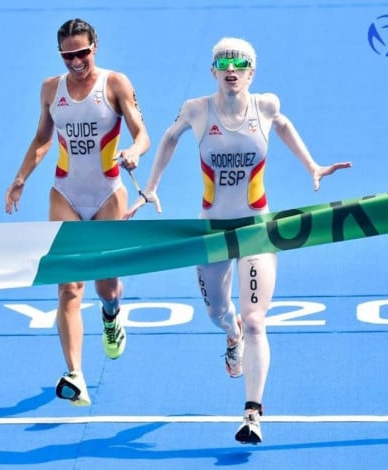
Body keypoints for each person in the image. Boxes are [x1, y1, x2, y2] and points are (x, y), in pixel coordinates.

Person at [127, 37, 351, 444]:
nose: (232, 69)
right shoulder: (197, 109)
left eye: (240, 63)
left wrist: (312, 165)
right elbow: (170, 138)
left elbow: (283, 126)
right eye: (223, 62)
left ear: (252, 71)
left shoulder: (265, 106)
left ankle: (252, 414)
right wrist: (152, 186)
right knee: (218, 313)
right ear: (213, 71)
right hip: (211, 230)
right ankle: (230, 339)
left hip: (255, 229)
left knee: (255, 321)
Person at [5, 18, 150, 407]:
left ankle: (111, 313)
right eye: (68, 55)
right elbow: (41, 139)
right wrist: (20, 178)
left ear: (95, 48)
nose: (76, 61)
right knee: (69, 286)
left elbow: (141, 132)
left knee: (106, 286)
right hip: (65, 193)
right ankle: (75, 374)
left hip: (108, 195)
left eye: (82, 53)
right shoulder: (51, 89)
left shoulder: (115, 84)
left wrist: (135, 151)